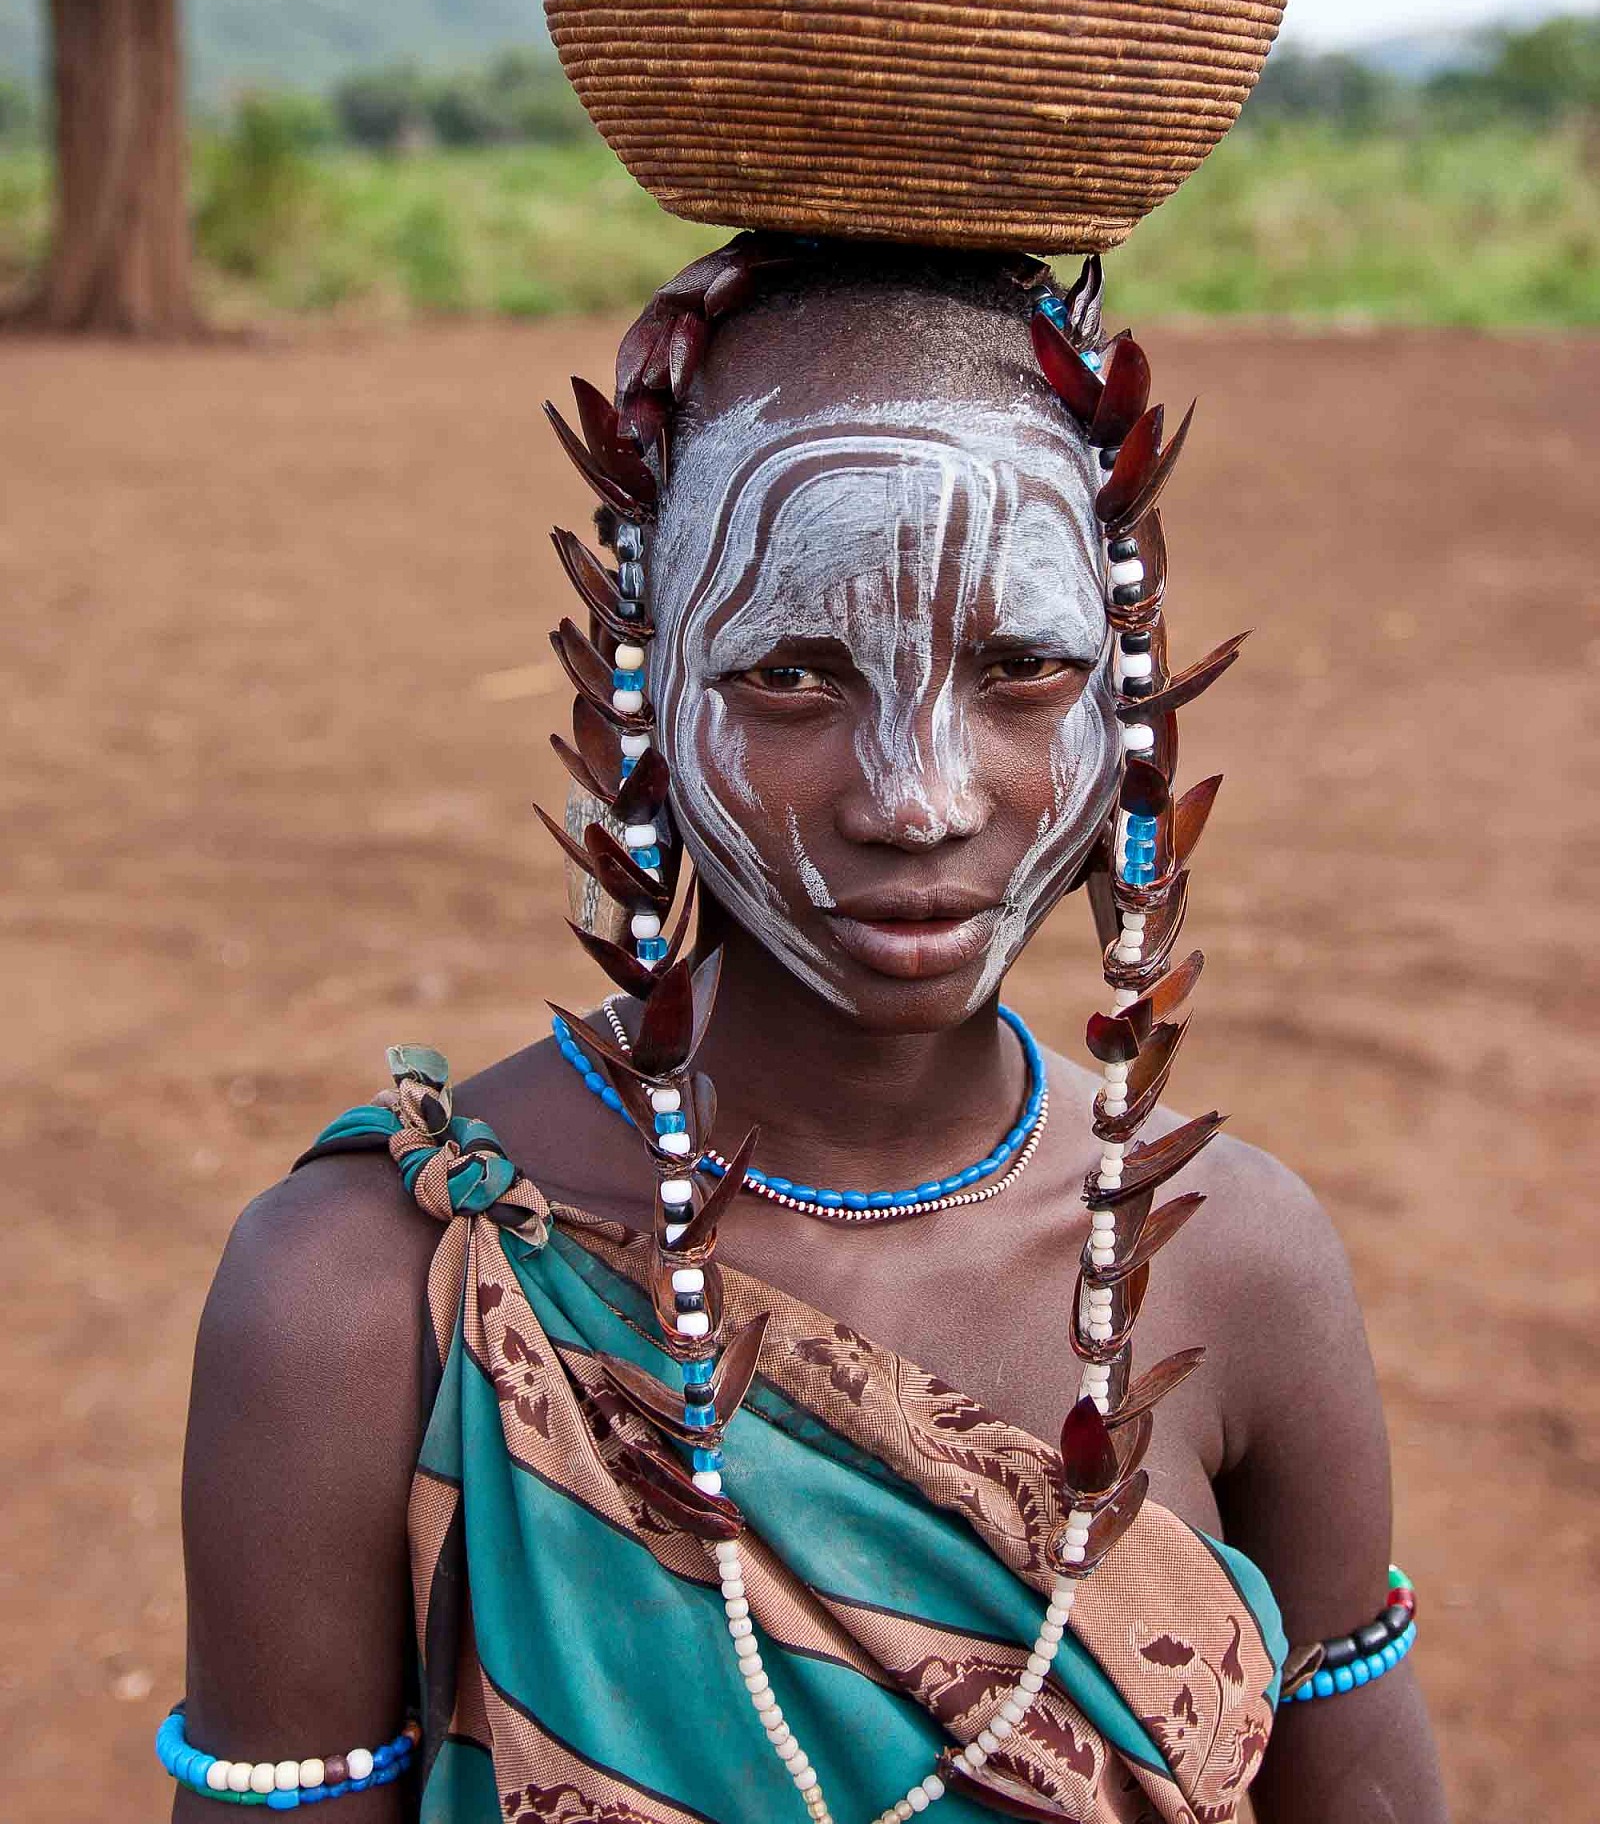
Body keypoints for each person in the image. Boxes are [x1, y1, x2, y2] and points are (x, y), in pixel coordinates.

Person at [168, 241, 1448, 1823]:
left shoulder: (1237, 1264)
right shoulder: (364, 1301)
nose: (917, 800)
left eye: (1022, 669)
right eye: (787, 673)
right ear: (640, 685)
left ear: (1130, 691)